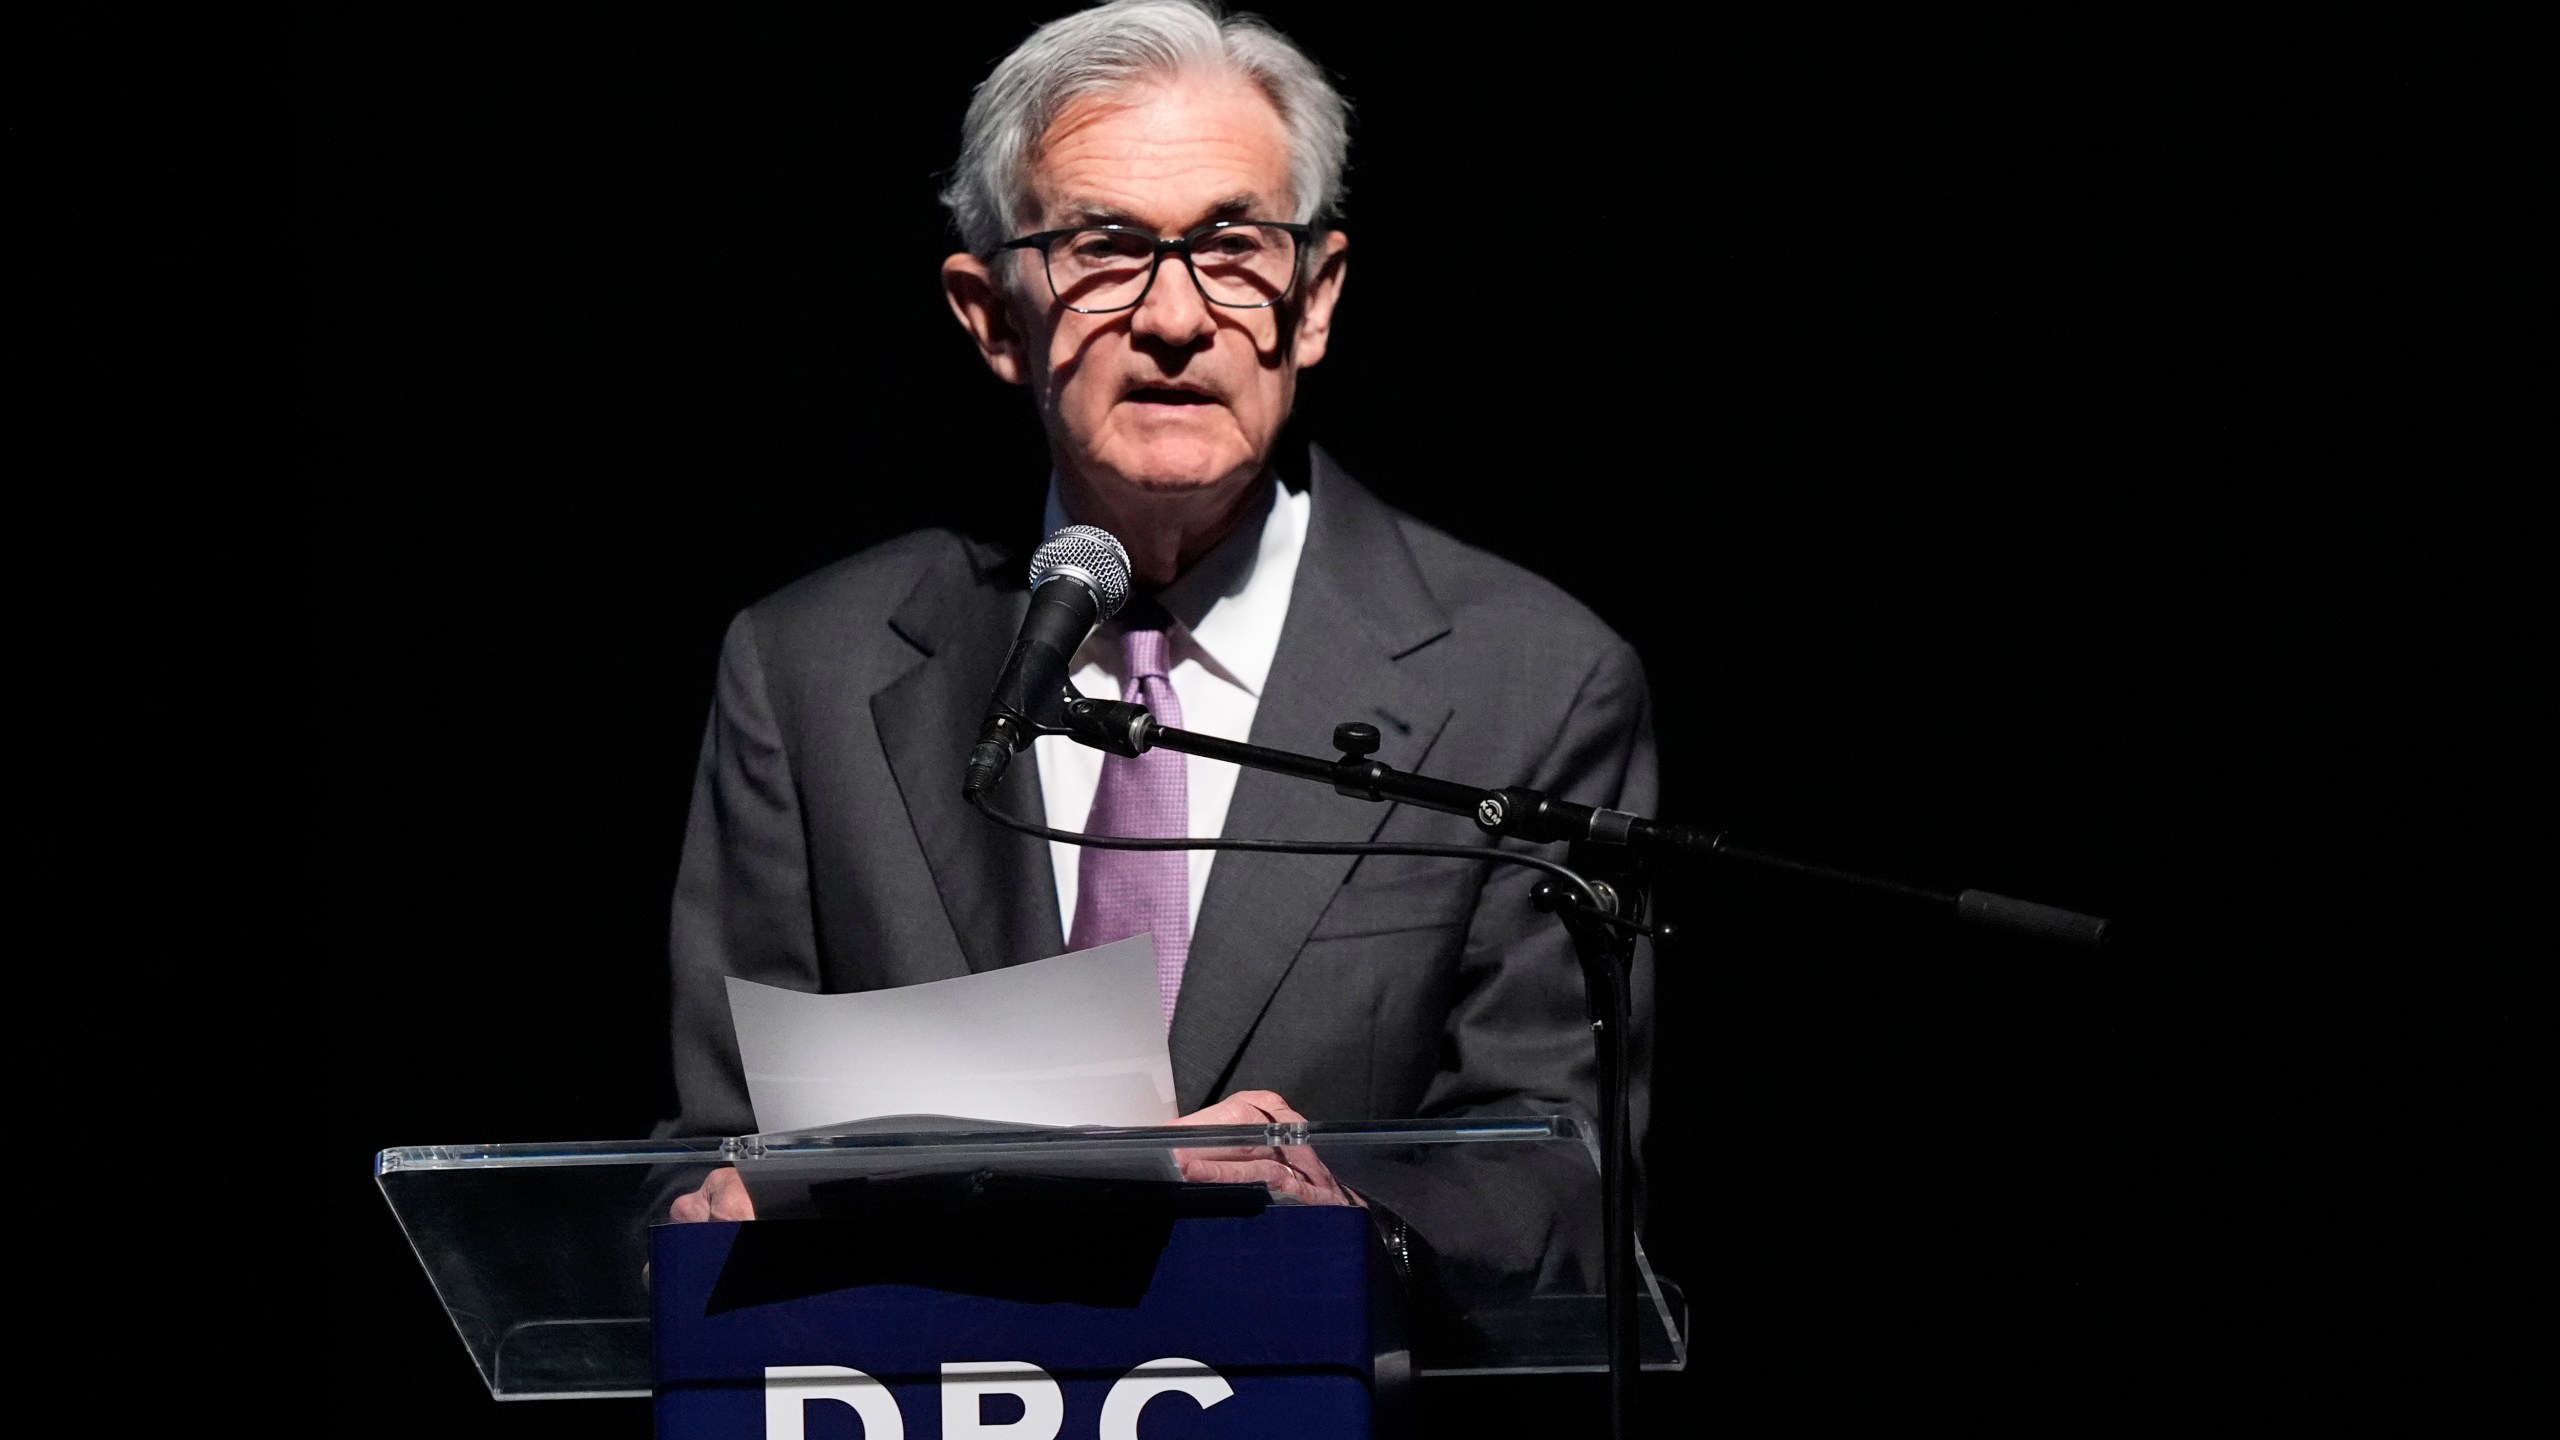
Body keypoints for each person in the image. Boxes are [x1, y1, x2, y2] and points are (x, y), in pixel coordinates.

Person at [662, 0, 1655, 1261]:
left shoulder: (1534, 680)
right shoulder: (808, 671)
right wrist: (724, 1212)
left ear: (1316, 298)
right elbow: (706, 1154)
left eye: (1235, 244)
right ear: (992, 316)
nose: (1177, 317)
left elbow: (1555, 1180)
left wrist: (1333, 1222)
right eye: (1105, 247)